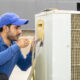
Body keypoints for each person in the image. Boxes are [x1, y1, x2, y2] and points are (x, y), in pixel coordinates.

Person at [0, 13, 34, 80]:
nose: (20, 32)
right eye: (16, 28)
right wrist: (17, 46)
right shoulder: (15, 47)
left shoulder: (14, 45)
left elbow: (24, 66)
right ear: (5, 28)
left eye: (20, 28)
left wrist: (32, 51)